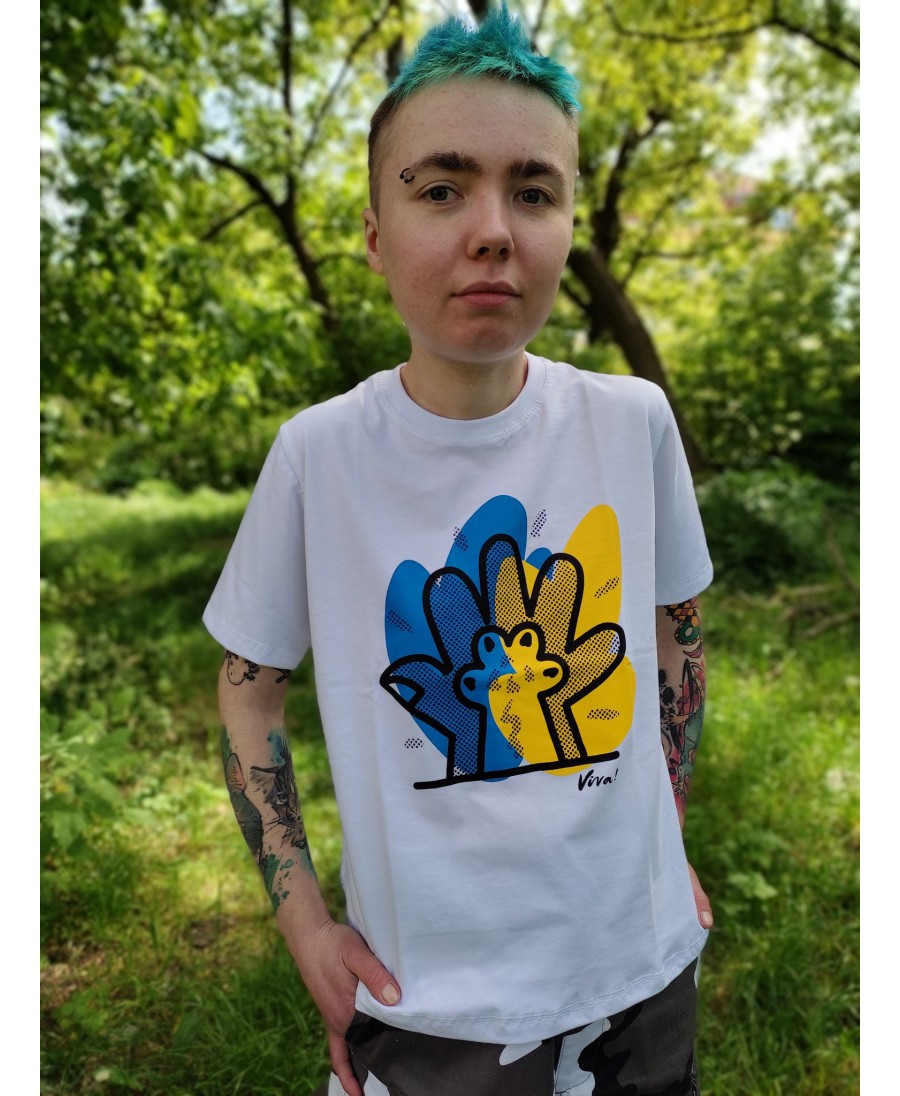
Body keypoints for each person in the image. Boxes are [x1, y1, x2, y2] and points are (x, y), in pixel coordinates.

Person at [204, 7, 714, 1095]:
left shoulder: (633, 424)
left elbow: (678, 637)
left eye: (533, 191)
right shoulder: (318, 458)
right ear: (374, 234)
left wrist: (666, 838)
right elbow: (249, 692)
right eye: (441, 189)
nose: (493, 231)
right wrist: (304, 922)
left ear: (568, 222)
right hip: (425, 1001)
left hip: (643, 975)